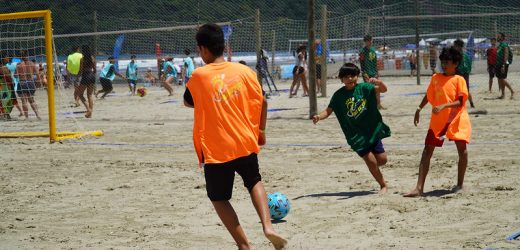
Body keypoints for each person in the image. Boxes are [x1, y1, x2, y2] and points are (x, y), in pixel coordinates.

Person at [183, 23, 287, 250]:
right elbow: (263, 102)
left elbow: (188, 101)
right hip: (245, 141)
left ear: (203, 50)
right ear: (223, 45)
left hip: (216, 148)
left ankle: (244, 245)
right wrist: (261, 131)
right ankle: (268, 227)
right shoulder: (245, 72)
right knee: (254, 181)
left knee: (219, 198)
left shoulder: (199, 76)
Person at [312, 63, 390, 194]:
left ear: (357, 76)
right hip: (355, 135)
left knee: (382, 160)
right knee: (371, 162)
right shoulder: (338, 96)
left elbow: (383, 90)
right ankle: (383, 185)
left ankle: (376, 170)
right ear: (341, 79)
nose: (350, 79)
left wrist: (379, 82)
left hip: (371, 130)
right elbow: (328, 110)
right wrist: (319, 117)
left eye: (353, 75)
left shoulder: (365, 88)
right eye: (346, 77)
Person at [404, 46, 472, 197]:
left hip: (456, 120)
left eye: (448, 62)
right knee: (427, 151)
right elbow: (429, 96)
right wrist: (418, 109)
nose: (445, 64)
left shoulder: (459, 80)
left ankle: (460, 184)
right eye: (443, 61)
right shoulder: (435, 78)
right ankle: (419, 188)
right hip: (438, 121)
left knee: (463, 151)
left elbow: (460, 102)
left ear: (456, 63)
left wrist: (444, 105)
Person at [359, 35, 385, 109]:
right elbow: (361, 64)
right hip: (367, 73)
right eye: (368, 40)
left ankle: (379, 104)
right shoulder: (362, 52)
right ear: (365, 42)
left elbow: (375, 62)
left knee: (377, 88)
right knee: (368, 89)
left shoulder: (373, 50)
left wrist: (377, 72)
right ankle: (367, 105)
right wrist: (364, 73)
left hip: (374, 73)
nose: (370, 42)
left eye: (371, 40)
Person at [15, 50, 41, 120]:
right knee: (32, 100)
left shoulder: (19, 65)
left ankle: (26, 117)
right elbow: (37, 74)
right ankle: (37, 115)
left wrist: (19, 74)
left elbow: (16, 75)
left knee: (24, 101)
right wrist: (38, 83)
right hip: (30, 82)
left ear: (20, 57)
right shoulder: (32, 63)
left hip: (22, 82)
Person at [453, 39, 475, 108]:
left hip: (460, 73)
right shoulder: (466, 55)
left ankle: (460, 104)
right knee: (466, 90)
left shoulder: (457, 55)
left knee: (459, 90)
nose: (454, 47)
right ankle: (471, 103)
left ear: (458, 46)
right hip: (466, 73)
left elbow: (455, 65)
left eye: (455, 46)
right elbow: (469, 65)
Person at [76, 45, 97, 118]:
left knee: (80, 94)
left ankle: (89, 110)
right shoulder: (92, 58)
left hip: (86, 76)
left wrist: (78, 77)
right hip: (91, 76)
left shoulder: (82, 59)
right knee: (90, 95)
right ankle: (90, 113)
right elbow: (95, 70)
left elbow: (81, 70)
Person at [495, 32, 515, 99]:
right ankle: (503, 94)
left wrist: (504, 65)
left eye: (499, 36)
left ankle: (512, 91)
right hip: (499, 64)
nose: (497, 37)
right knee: (500, 79)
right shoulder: (500, 45)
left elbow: (506, 54)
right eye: (497, 36)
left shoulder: (504, 45)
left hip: (503, 64)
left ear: (502, 38)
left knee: (502, 79)